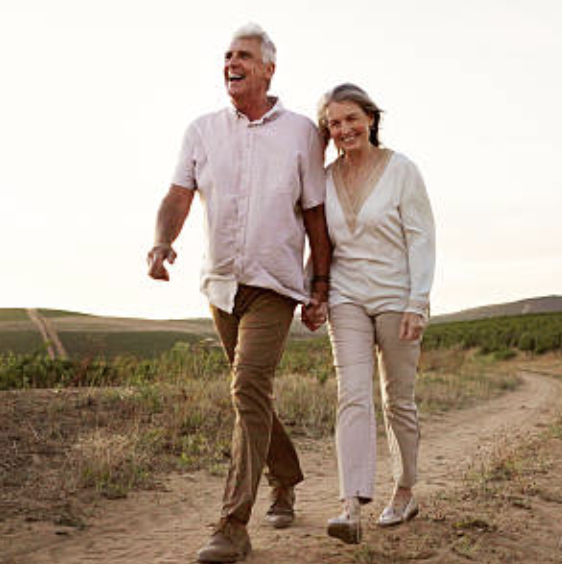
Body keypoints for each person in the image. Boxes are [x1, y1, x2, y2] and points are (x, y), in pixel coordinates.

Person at [147, 24, 331, 563]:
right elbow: (178, 195)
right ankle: (285, 475)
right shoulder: (202, 130)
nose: (232, 62)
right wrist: (162, 242)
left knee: (248, 385)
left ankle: (232, 525)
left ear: (268, 69)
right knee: (250, 393)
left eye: (244, 55)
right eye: (228, 55)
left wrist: (319, 285)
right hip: (222, 285)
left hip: (274, 284)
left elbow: (316, 215)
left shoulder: (301, 133)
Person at [304, 83, 435, 544]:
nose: (344, 129)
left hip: (398, 297)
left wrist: (418, 302)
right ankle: (350, 505)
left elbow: (421, 238)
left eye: (351, 119)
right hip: (347, 298)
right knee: (352, 395)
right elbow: (320, 241)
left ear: (371, 119)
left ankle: (404, 490)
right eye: (334, 123)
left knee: (398, 399)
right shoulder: (323, 179)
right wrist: (313, 292)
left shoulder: (402, 170)